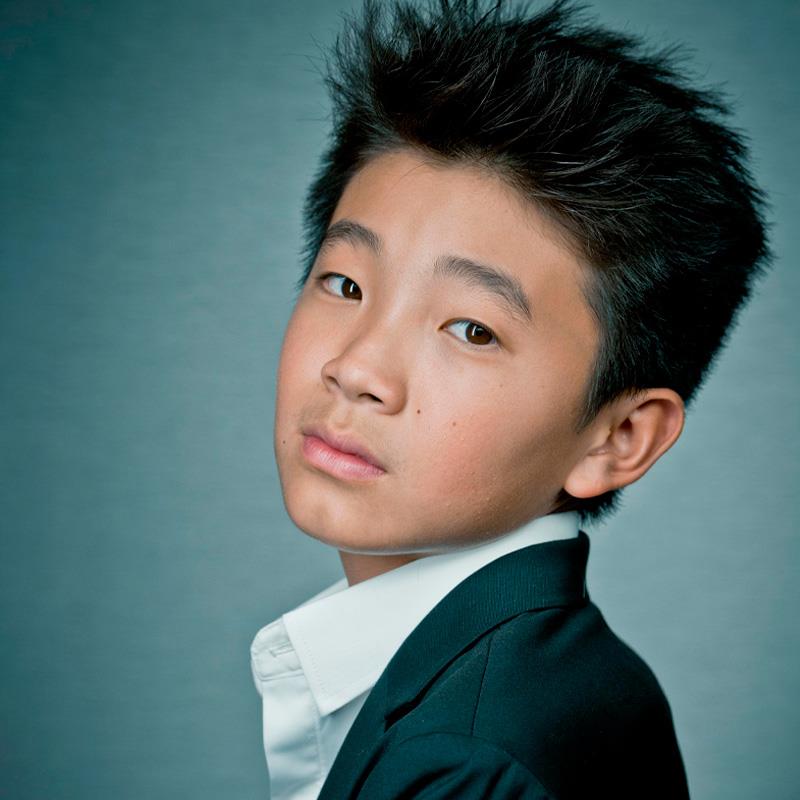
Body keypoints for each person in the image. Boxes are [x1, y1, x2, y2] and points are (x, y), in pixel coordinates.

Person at [250, 0, 773, 797]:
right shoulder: (554, 677)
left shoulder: (468, 760)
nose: (357, 369)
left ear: (619, 437)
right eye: (346, 284)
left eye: (471, 330)